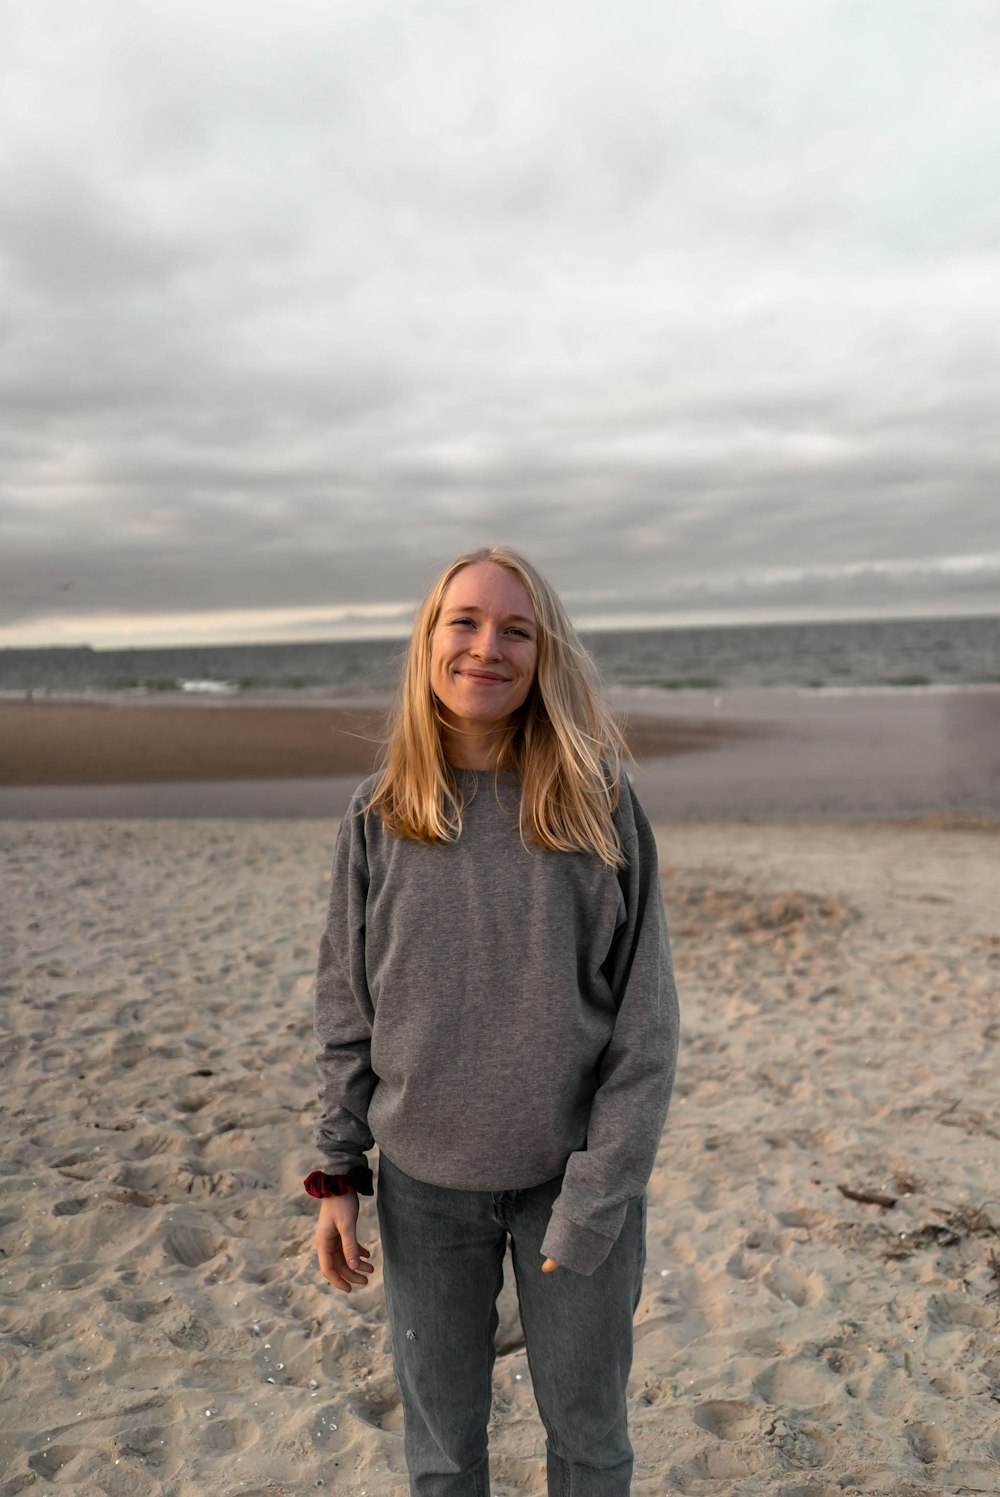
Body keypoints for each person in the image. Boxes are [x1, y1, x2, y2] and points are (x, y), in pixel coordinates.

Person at [307, 545, 680, 1497]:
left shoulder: (595, 802)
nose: (487, 647)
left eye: (517, 629)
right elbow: (348, 1010)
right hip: (424, 1193)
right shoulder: (380, 812)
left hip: (573, 1187)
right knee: (440, 1451)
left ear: (545, 653)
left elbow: (645, 1028)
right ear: (429, 641)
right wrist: (336, 1174)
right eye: (464, 622)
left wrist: (598, 1192)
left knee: (589, 1439)